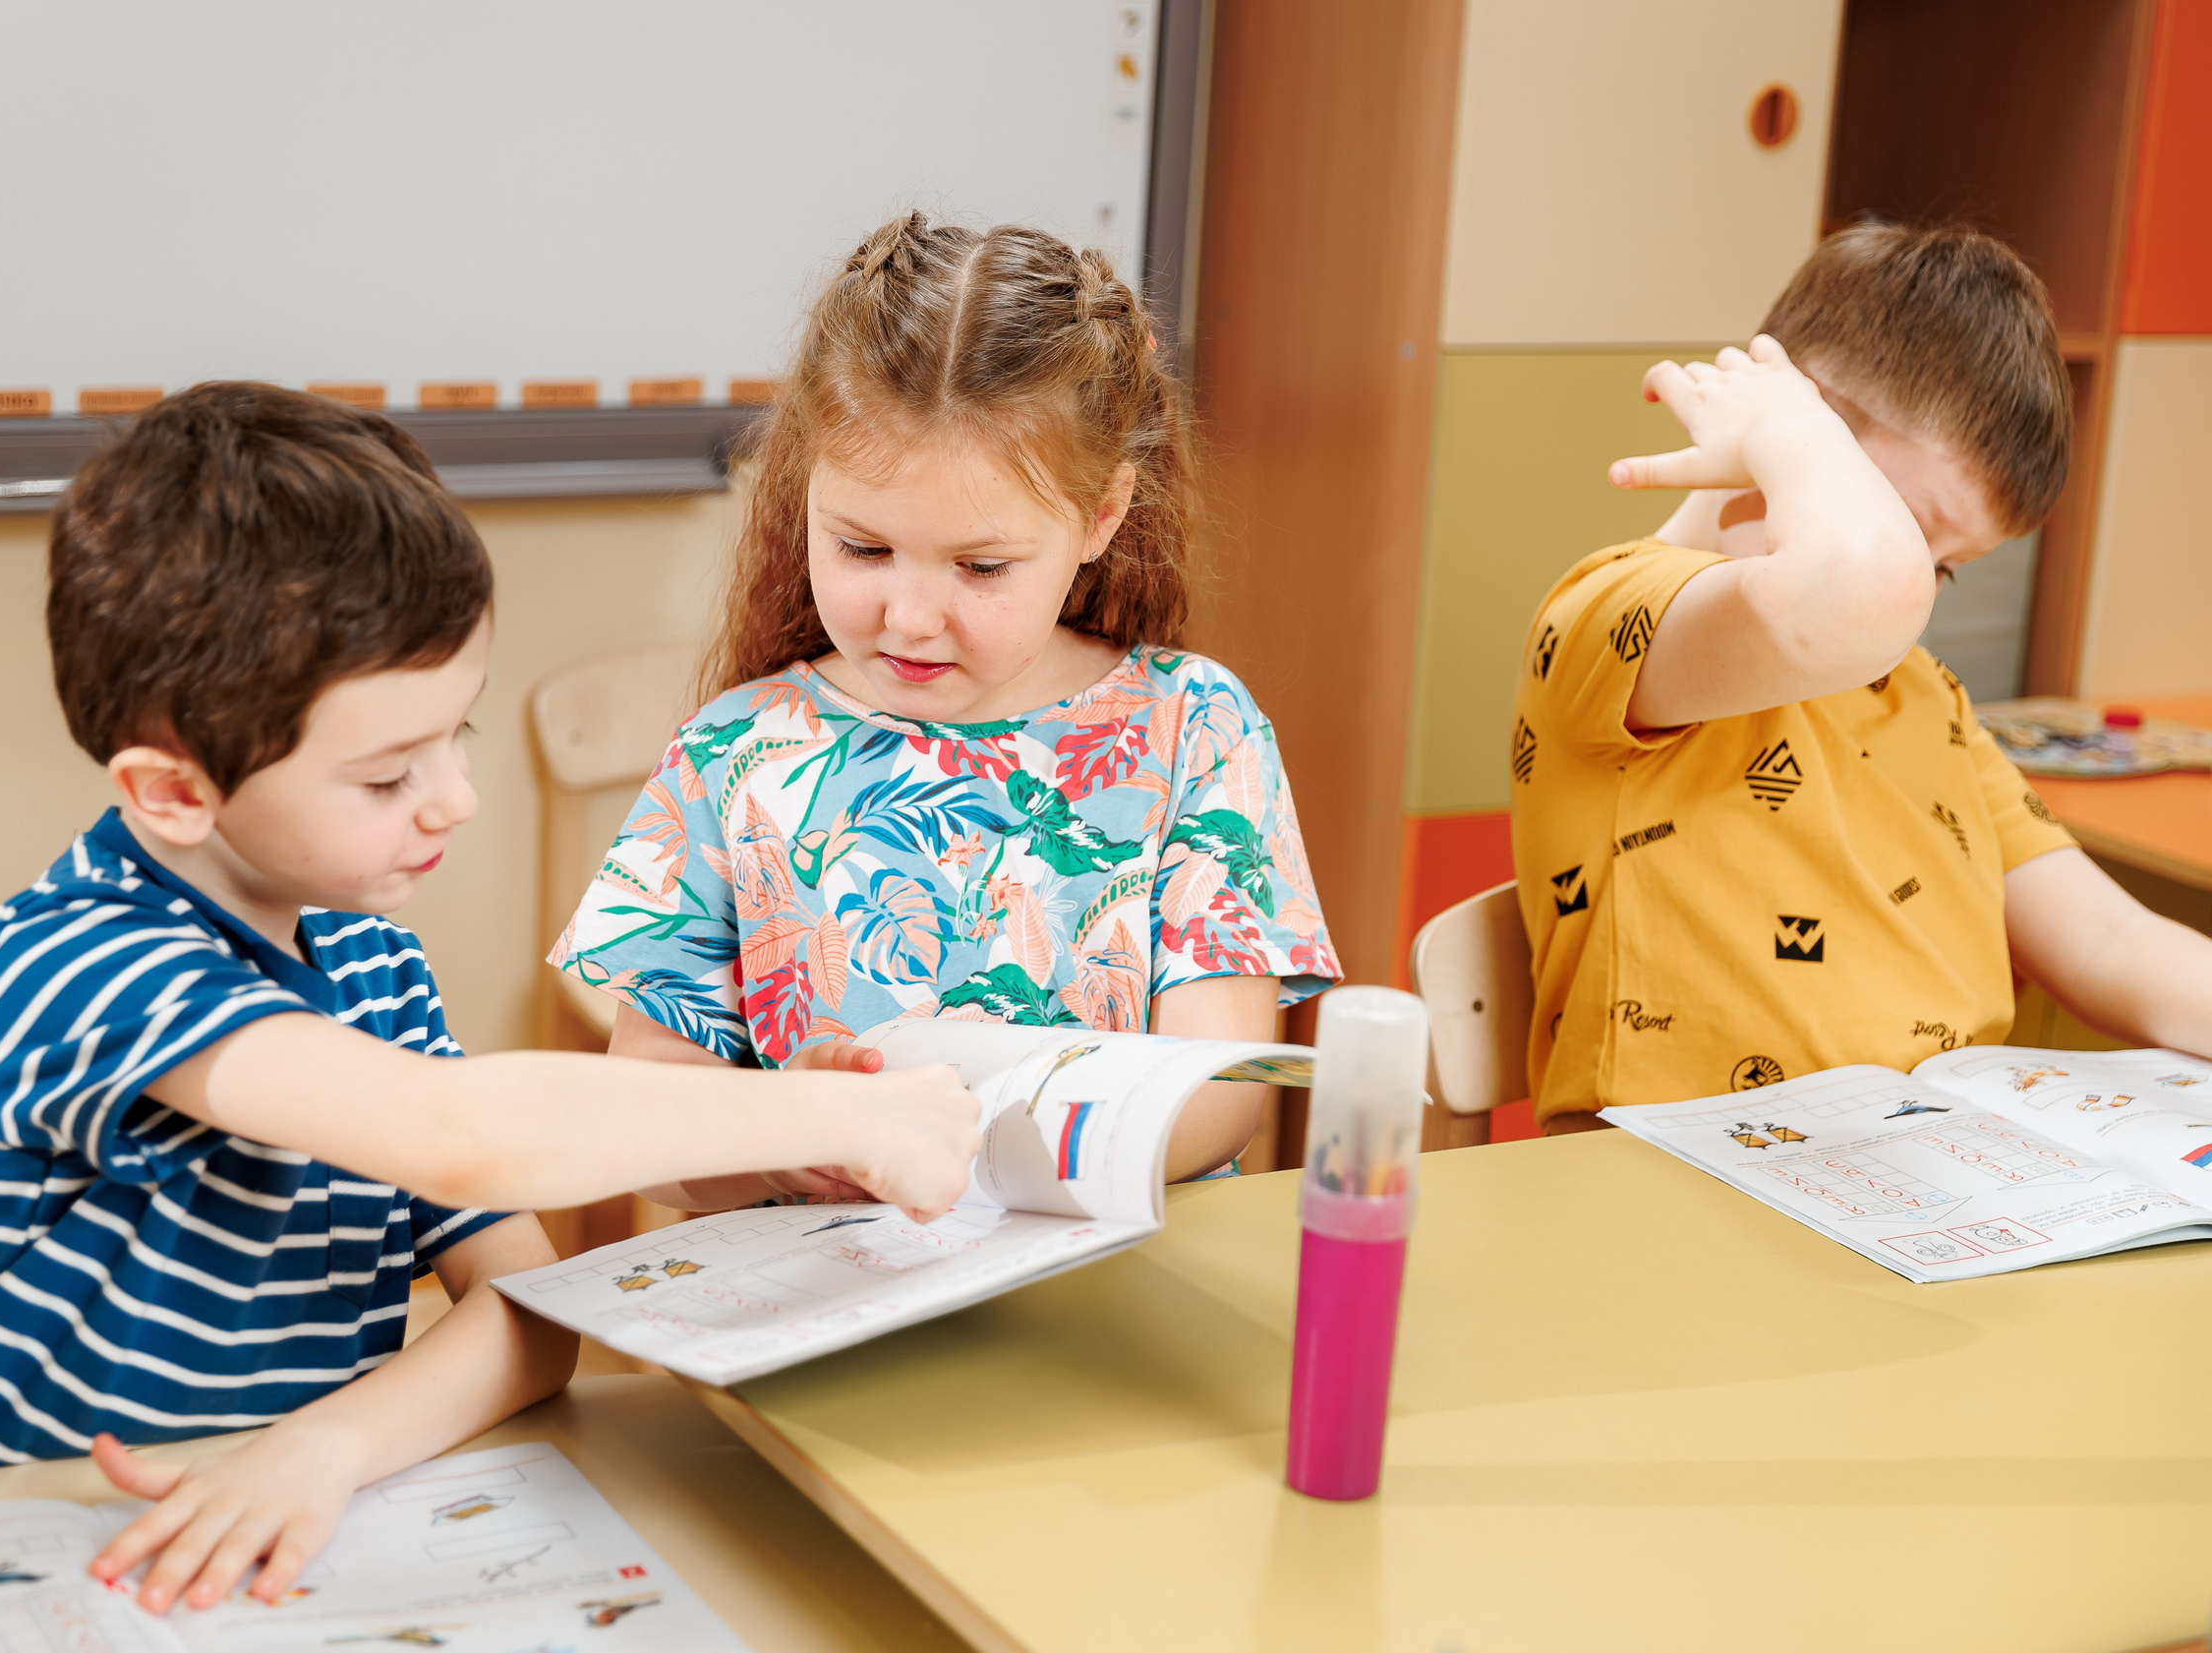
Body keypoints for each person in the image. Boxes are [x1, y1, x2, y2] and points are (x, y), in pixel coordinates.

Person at [0, 384, 981, 1612]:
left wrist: (324, 1448)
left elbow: (530, 1318)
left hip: (245, 1545)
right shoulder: (77, 960)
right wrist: (839, 1119)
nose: (455, 800)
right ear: (173, 793)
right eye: (387, 776)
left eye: (458, 732)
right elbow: (464, 1137)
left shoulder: (369, 966)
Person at [549, 212, 1341, 1199]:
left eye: (979, 566)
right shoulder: (735, 752)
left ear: (1100, 516)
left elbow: (1217, 1095)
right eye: (863, 548)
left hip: (1108, 1305)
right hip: (829, 1311)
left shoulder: (1193, 729)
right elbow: (651, 1109)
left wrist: (976, 1157)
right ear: (807, 491)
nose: (911, 617)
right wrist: (774, 1143)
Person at [1509, 222, 2212, 1130]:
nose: (1924, 594)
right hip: (1674, 1189)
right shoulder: (1612, 615)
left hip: (1925, 1186)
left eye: (1948, 568)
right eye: (1914, 535)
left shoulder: (1927, 699)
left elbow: (2109, 940)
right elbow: (1852, 595)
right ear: (1795, 430)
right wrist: (1794, 433)